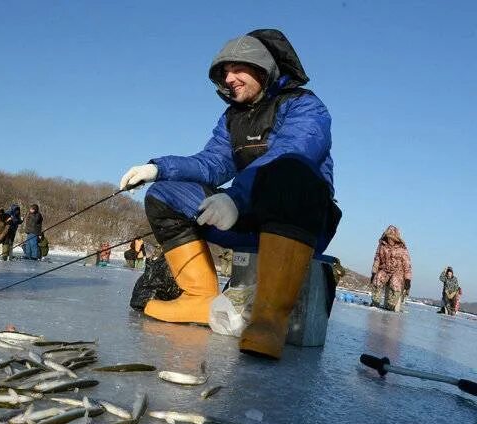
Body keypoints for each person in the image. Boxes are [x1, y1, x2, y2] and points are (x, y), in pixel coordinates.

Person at [119, 28, 339, 360]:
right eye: (223, 72)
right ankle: (198, 296)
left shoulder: (306, 107)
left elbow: (293, 151)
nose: (228, 77)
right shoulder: (232, 118)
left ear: (262, 68)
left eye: (237, 68)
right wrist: (158, 169)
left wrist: (236, 198)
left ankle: (268, 321)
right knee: (166, 195)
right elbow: (212, 163)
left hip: (301, 223)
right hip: (246, 217)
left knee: (291, 171)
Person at [369, 225, 411, 312]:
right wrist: (374, 273)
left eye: (392, 238)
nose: (390, 239)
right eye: (388, 237)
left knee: (395, 283)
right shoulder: (382, 246)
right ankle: (375, 303)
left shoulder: (402, 248)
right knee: (378, 279)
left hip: (397, 271)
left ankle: (391, 305)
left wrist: (408, 279)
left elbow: (407, 264)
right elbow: (377, 259)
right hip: (384, 269)